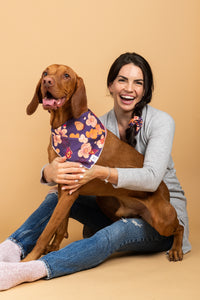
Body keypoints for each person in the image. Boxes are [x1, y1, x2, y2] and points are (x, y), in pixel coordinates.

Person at [0, 52, 191, 291]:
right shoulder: (90, 128)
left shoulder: (161, 122)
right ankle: (9, 250)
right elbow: (66, 180)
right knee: (55, 197)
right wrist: (49, 172)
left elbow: (152, 180)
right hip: (115, 207)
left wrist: (101, 172)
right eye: (122, 80)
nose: (129, 88)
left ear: (145, 89)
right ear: (110, 85)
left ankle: (34, 267)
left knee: (115, 233)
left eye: (138, 82)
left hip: (156, 215)